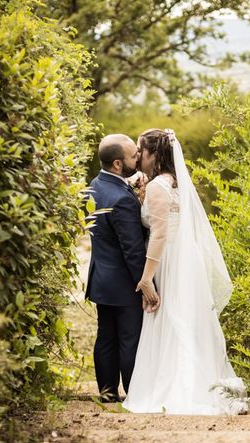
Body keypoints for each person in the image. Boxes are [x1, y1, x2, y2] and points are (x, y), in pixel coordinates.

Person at [123, 128, 248, 415]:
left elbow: (158, 235)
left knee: (170, 317)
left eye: (142, 150)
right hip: (185, 259)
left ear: (155, 154)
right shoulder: (177, 185)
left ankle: (181, 388)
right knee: (185, 319)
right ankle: (202, 384)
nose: (138, 156)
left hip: (166, 260)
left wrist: (145, 279)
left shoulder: (157, 187)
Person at [85, 134, 159, 403]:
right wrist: (145, 283)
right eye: (132, 156)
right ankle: (133, 392)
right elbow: (133, 251)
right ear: (118, 164)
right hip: (125, 282)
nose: (137, 157)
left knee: (106, 336)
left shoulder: (95, 185)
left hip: (101, 279)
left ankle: (106, 391)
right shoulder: (122, 199)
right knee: (129, 339)